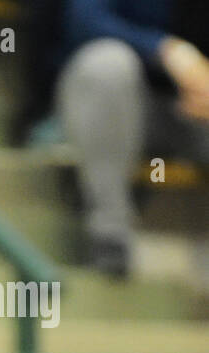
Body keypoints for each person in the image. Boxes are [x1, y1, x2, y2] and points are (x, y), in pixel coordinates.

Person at [57, 0, 209, 278]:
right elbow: (85, 22)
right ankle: (110, 237)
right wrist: (167, 50)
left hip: (198, 115)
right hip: (129, 103)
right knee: (106, 64)